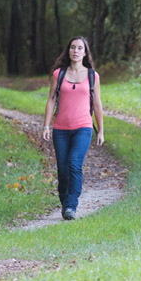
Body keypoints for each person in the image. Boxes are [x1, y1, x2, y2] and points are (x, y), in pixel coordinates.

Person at [42, 36, 104, 220]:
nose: (75, 51)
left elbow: (97, 104)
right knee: (62, 169)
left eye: (79, 48)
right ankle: (65, 201)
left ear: (85, 53)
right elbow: (51, 100)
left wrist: (100, 130)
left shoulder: (93, 76)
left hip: (83, 128)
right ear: (68, 51)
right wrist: (46, 125)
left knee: (74, 164)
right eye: (72, 47)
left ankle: (71, 206)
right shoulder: (58, 74)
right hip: (60, 129)